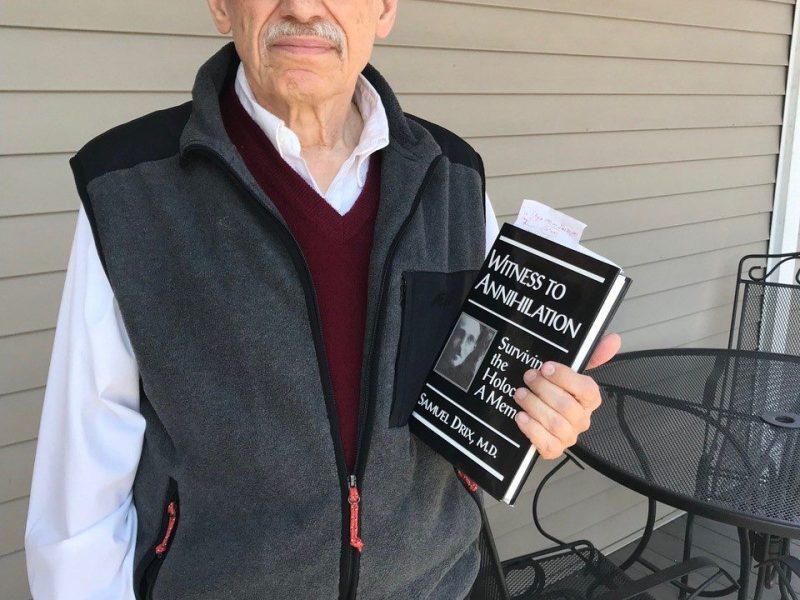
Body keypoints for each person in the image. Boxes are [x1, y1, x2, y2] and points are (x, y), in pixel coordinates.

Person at [24, 1, 621, 598]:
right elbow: (82, 482)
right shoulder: (130, 187)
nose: (305, 8)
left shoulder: (453, 177)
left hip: (435, 585)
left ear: (384, 10)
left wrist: (543, 403)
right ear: (220, 7)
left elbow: (482, 388)